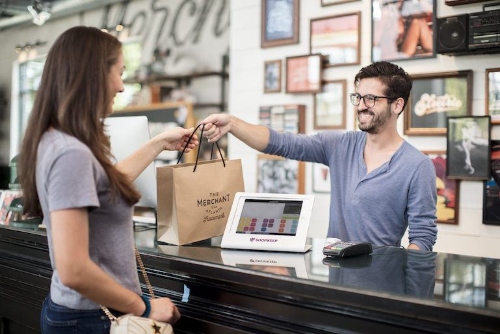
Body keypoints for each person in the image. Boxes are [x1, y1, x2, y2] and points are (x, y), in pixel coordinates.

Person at [18, 26, 197, 333]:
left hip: (77, 313)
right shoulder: (70, 153)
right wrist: (147, 306)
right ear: (93, 76)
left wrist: (158, 143)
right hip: (93, 319)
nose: (121, 87)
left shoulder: (56, 140)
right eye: (119, 73)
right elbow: (74, 269)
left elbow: (104, 187)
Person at [201, 61, 438, 251]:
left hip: (381, 289)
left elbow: (422, 236)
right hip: (334, 279)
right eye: (358, 97)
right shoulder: (339, 145)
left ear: (397, 105)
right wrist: (231, 123)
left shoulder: (417, 166)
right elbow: (281, 143)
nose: (361, 106)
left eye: (371, 99)